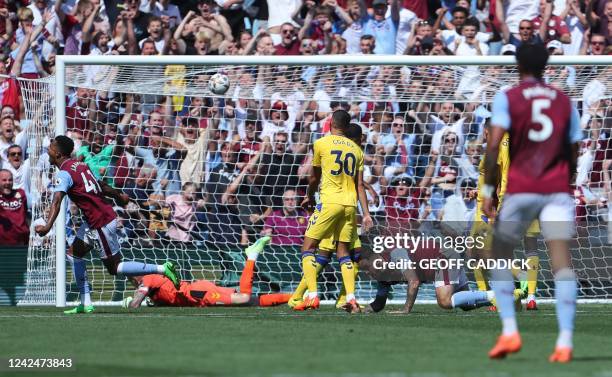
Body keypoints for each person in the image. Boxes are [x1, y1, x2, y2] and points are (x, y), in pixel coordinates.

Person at [483, 43, 582, 362]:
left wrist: (488, 192)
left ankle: (510, 330)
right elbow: (574, 148)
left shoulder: (507, 97)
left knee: (499, 254)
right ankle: (565, 341)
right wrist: (567, 180)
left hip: (521, 188)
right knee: (562, 263)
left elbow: (493, 146)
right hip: (556, 188)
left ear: (518, 64)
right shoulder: (565, 101)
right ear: (546, 65)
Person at [34, 135, 181, 314]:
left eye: (50, 148)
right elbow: (101, 185)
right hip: (93, 221)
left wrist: (47, 227)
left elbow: (57, 200)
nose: (48, 151)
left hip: (100, 223)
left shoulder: (64, 173)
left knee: (114, 267)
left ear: (57, 153)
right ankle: (85, 302)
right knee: (74, 253)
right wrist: (118, 195)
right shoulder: (80, 165)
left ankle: (162, 268)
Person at [296, 110, 373, 312]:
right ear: (347, 128)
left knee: (308, 247)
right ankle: (350, 298)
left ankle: (312, 295)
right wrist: (366, 213)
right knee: (344, 253)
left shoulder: (321, 143)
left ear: (330, 123)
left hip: (329, 202)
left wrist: (309, 196)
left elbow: (313, 178)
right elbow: (359, 186)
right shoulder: (357, 151)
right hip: (350, 206)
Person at [124, 236, 291, 308]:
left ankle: (252, 255)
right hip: (198, 291)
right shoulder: (153, 282)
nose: (130, 281)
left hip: (198, 294)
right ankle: (298, 297)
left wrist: (130, 302)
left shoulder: (147, 279)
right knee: (252, 302)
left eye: (130, 278)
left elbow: (134, 305)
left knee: (244, 298)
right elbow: (168, 297)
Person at [0, 169, 29, 245]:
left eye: (10, 180)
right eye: (4, 180)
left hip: (21, 242)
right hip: (2, 244)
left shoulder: (21, 193)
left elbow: (25, 212)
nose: (7, 183)